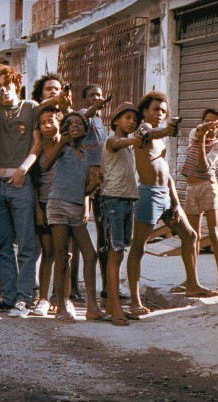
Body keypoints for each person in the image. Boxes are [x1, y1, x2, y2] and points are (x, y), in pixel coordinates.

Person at [127, 91, 218, 319]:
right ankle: (135, 300)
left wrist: (175, 202)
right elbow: (148, 133)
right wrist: (166, 130)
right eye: (155, 109)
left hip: (166, 196)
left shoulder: (160, 138)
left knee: (190, 236)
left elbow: (166, 172)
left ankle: (192, 285)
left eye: (163, 110)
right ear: (145, 111)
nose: (160, 113)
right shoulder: (143, 130)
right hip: (148, 194)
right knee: (139, 247)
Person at [0, 64, 41, 317]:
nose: (3, 89)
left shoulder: (30, 108)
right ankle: (8, 296)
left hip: (19, 182)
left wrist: (23, 169)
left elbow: (37, 144)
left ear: (17, 83)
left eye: (7, 84)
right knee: (2, 244)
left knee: (26, 244)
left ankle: (24, 298)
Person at [41, 112, 105, 323]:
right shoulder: (62, 149)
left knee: (91, 255)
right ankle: (61, 306)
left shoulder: (86, 156)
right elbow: (45, 165)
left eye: (79, 124)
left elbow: (83, 189)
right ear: (65, 129)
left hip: (76, 209)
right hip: (58, 205)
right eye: (70, 123)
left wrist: (95, 184)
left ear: (86, 130)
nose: (75, 126)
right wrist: (61, 142)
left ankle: (92, 307)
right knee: (62, 256)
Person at [100, 102, 144, 326]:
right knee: (115, 252)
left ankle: (112, 305)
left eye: (134, 119)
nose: (132, 122)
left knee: (119, 252)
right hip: (114, 200)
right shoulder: (113, 140)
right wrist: (135, 139)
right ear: (116, 120)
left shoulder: (128, 145)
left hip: (127, 200)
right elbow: (118, 142)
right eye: (127, 118)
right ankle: (115, 307)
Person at [78, 84, 116, 303]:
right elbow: (87, 114)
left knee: (104, 233)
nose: (96, 99)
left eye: (99, 95)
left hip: (100, 180)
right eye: (92, 95)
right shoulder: (84, 115)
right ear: (85, 99)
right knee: (77, 232)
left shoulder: (101, 122)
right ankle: (71, 287)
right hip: (84, 179)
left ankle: (107, 286)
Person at [180, 108, 218, 291]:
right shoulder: (193, 134)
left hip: (208, 188)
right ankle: (191, 280)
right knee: (192, 236)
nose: (211, 125)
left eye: (215, 122)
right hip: (191, 189)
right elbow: (197, 132)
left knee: (214, 233)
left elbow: (203, 167)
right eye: (207, 120)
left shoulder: (217, 145)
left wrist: (204, 138)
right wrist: (203, 131)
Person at [32, 105, 64, 317]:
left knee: (64, 253)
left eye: (51, 121)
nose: (47, 126)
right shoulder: (38, 149)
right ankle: (42, 298)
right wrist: (37, 209)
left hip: (65, 205)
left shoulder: (67, 147)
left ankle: (60, 298)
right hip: (44, 204)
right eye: (43, 123)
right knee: (48, 251)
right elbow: (35, 182)